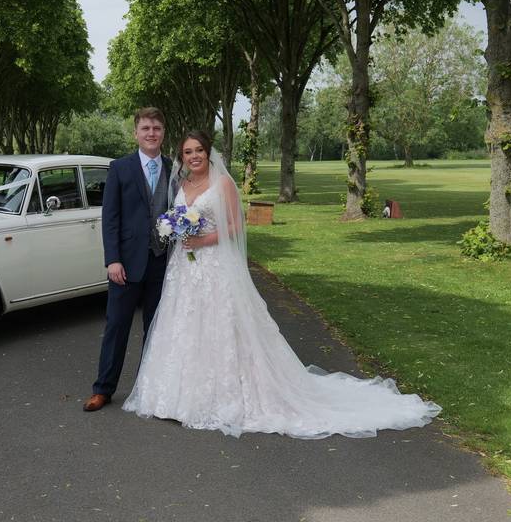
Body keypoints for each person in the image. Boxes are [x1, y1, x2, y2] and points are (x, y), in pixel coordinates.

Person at [122, 131, 442, 438]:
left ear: (209, 153)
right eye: (187, 152)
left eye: (198, 151)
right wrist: (175, 230)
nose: (193, 156)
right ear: (182, 156)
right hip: (185, 269)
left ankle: (225, 397)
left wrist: (204, 239)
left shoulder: (223, 185)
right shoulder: (183, 182)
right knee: (185, 325)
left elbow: (235, 226)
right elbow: (177, 215)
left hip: (213, 263)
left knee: (221, 324)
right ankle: (176, 397)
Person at [84, 107, 172, 412]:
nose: (151, 133)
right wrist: (113, 260)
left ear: (163, 132)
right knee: (117, 326)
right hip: (126, 264)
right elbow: (110, 218)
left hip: (163, 262)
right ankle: (103, 389)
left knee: (157, 328)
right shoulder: (120, 168)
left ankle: (148, 388)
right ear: (136, 133)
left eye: (157, 128)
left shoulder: (174, 169)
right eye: (146, 128)